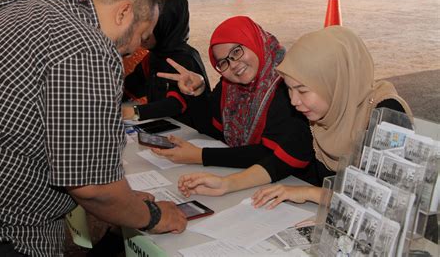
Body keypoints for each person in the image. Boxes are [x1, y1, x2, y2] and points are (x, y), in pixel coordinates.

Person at [0, 0, 186, 257]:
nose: (136, 48)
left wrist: (123, 199)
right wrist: (154, 217)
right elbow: (92, 187)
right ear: (124, 12)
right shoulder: (89, 47)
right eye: (142, 34)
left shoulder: (31, 1)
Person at [175, 26, 411, 208]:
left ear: (333, 81)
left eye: (303, 90)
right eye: (289, 89)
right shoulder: (317, 115)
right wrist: (227, 184)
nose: (294, 101)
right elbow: (280, 160)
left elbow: (384, 200)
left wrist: (310, 193)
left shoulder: (387, 115)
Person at [154, 16, 314, 191]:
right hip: (255, 182)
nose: (234, 65)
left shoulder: (287, 85)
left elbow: (270, 154)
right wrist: (198, 92)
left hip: (294, 184)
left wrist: (200, 156)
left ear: (254, 40)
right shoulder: (229, 87)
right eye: (223, 62)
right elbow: (210, 129)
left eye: (236, 51)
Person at [121, 0, 211, 128]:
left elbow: (176, 104)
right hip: (168, 127)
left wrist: (133, 112)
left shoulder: (185, 59)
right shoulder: (154, 56)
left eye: (149, 29)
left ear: (165, 26)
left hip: (192, 133)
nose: (142, 34)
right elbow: (133, 85)